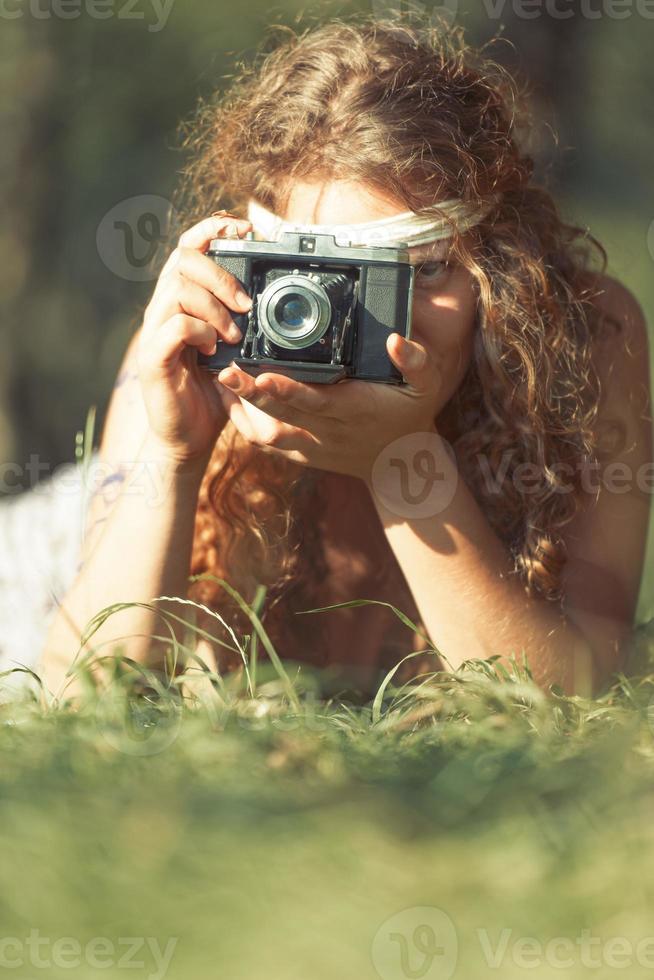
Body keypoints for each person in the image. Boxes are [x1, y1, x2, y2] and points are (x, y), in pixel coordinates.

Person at [39, 17, 652, 700]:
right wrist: (175, 454)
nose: (369, 322)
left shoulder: (583, 335)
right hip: (52, 552)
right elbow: (78, 691)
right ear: (258, 263)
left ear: (497, 264)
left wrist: (401, 462)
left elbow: (577, 698)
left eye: (420, 270)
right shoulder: (205, 342)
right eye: (318, 287)